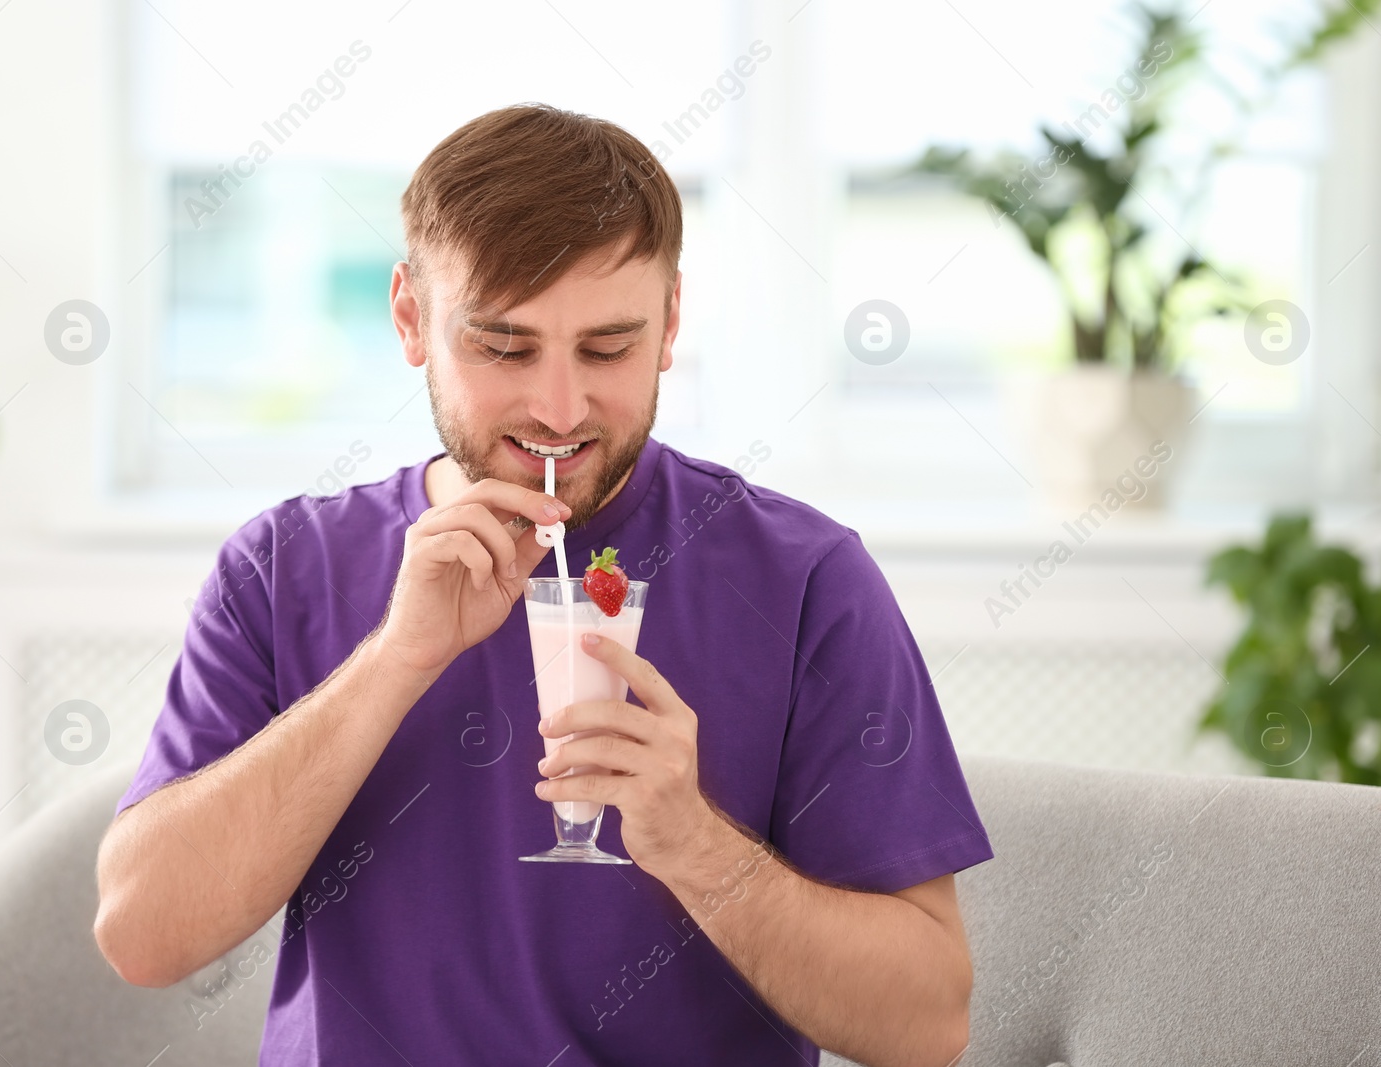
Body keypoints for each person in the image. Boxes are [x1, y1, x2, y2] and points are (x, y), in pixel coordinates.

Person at [94, 102, 993, 1067]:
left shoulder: (806, 580)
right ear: (410, 318)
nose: (558, 409)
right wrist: (396, 660)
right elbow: (145, 936)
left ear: (671, 323)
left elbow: (926, 1026)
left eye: (606, 347)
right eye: (503, 346)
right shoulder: (283, 570)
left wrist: (693, 843)